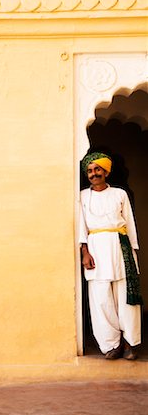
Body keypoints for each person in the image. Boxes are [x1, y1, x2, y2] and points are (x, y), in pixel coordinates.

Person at [79, 152, 142, 360]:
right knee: (101, 299)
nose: (93, 174)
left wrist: (132, 252)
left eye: (97, 169)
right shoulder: (82, 196)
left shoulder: (119, 194)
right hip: (96, 249)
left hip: (120, 246)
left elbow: (130, 223)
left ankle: (129, 343)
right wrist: (84, 252)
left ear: (106, 171)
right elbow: (81, 225)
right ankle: (111, 345)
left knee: (125, 298)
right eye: (89, 171)